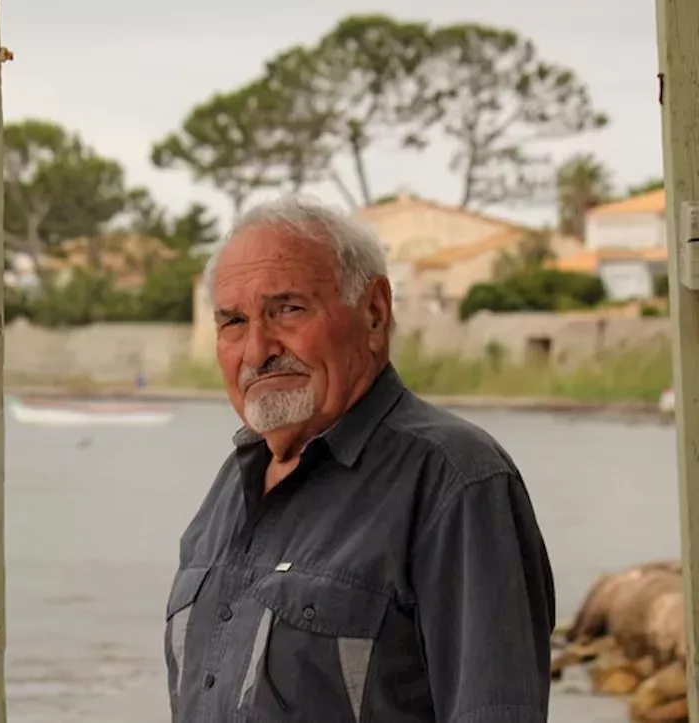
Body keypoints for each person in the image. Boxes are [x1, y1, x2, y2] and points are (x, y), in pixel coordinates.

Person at [165, 195, 555, 723]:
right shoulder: (230, 489)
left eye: (288, 309)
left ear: (374, 312)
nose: (256, 350)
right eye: (233, 321)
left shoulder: (456, 481)